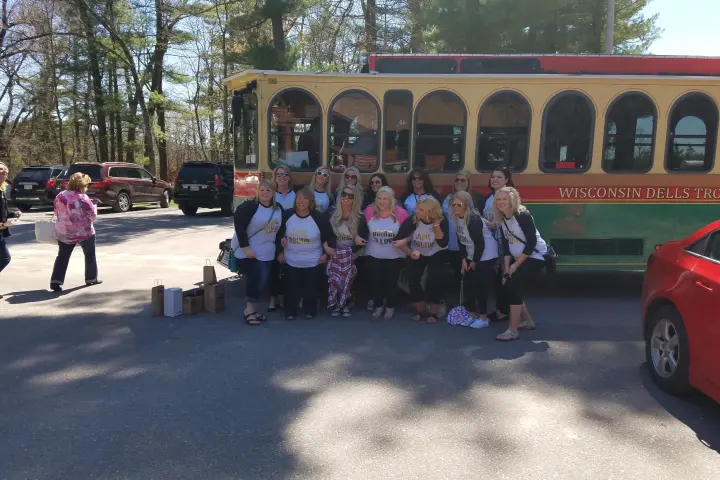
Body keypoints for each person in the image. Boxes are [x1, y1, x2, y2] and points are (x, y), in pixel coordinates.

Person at [494, 186, 547, 341]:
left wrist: (515, 265)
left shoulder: (522, 215)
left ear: (512, 200)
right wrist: (506, 269)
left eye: (505, 199)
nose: (501, 202)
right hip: (519, 258)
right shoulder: (502, 218)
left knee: (514, 284)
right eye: (499, 199)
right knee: (509, 283)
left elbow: (531, 243)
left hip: (535, 257)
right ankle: (528, 322)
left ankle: (513, 330)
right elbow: (506, 247)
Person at [276, 187, 336, 320]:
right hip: (291, 259)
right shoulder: (287, 215)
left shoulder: (319, 218)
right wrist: (279, 251)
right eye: (298, 198)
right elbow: (279, 234)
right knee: (291, 287)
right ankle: (290, 311)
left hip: (312, 260)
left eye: (305, 198)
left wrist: (326, 254)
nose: (301, 201)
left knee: (311, 288)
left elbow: (329, 237)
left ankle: (310, 310)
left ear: (311, 201)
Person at [232, 180, 283, 325]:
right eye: (262, 190)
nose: (265, 193)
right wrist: (246, 247)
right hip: (249, 251)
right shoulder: (250, 206)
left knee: (262, 280)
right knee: (255, 279)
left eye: (268, 190)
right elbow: (239, 226)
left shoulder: (278, 208)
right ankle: (249, 310)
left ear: (273, 192)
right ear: (257, 191)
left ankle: (254, 310)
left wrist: (281, 244)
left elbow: (280, 229)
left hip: (267, 251)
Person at [357, 186, 409, 320]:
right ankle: (378, 305)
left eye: (385, 199)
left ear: (391, 200)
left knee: (390, 282)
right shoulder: (369, 211)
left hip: (394, 255)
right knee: (375, 281)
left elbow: (410, 231)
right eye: (379, 198)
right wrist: (356, 236)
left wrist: (404, 241)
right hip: (373, 253)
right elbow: (357, 228)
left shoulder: (401, 213)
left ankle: (390, 306)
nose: (381, 201)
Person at [395, 196, 449, 323]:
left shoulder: (442, 220)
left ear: (430, 212)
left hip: (436, 251)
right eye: (417, 208)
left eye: (421, 209)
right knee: (412, 277)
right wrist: (409, 252)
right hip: (417, 251)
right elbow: (398, 240)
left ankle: (434, 309)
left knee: (435, 278)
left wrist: (436, 226)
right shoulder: (413, 220)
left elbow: (443, 243)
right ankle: (419, 308)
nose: (417, 211)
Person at [451, 191, 498, 328]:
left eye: (459, 204)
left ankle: (483, 318)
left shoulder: (473, 219)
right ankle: (472, 315)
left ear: (466, 205)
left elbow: (480, 244)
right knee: (469, 286)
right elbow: (460, 240)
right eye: (453, 204)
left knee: (480, 287)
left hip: (486, 254)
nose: (455, 207)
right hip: (471, 254)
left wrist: (474, 262)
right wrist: (464, 258)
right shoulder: (456, 217)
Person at [50, 172, 101, 292]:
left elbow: (56, 212)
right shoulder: (83, 198)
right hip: (84, 232)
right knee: (89, 255)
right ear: (81, 185)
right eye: (86, 185)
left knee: (62, 256)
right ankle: (91, 278)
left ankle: (56, 281)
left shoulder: (60, 196)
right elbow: (92, 215)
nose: (86, 188)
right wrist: (94, 205)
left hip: (64, 232)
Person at [325, 184, 362, 317]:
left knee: (348, 278)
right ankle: (336, 304)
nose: (346, 198)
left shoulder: (360, 217)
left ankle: (346, 304)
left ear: (355, 199)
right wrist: (326, 248)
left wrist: (353, 253)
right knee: (335, 280)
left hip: (352, 254)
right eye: (344, 195)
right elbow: (324, 233)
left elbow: (363, 240)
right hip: (335, 253)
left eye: (350, 196)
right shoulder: (331, 213)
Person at [484, 166, 515, 322]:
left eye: (499, 177)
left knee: (504, 276)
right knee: (497, 278)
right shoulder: (490, 197)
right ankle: (500, 309)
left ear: (506, 180)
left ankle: (505, 311)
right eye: (493, 176)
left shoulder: (508, 197)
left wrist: (493, 224)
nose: (495, 179)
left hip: (504, 243)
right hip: (493, 243)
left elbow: (511, 219)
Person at [441, 170, 483, 283]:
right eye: (457, 180)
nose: (459, 182)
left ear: (469, 182)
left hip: (468, 245)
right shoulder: (447, 198)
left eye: (463, 180)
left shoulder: (476, 198)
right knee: (456, 271)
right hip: (452, 242)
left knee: (469, 274)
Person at [268, 165, 295, 312]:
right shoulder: (271, 195)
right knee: (273, 269)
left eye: (285, 174)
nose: (282, 177)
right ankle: (273, 298)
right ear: (275, 177)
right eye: (278, 174)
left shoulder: (295, 195)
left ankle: (284, 297)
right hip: (272, 235)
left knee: (287, 270)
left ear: (289, 177)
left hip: (290, 236)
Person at [0, 162, 21, 298]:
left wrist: (14, 214)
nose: (2, 172)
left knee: (4, 258)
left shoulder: (2, 190)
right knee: (5, 257)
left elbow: (3, 211)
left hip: (1, 230)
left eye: (4, 170)